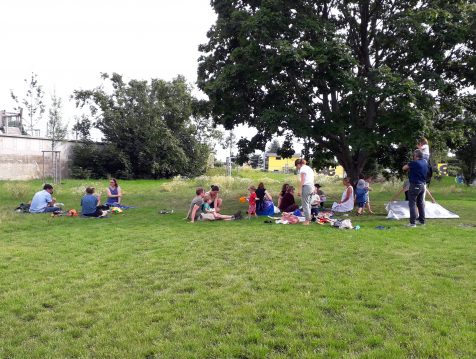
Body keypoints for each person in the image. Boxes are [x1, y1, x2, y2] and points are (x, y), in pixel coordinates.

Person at [403, 149, 428, 227]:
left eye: (413, 155)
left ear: (416, 156)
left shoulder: (414, 163)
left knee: (412, 203)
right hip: (422, 185)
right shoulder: (425, 162)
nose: (413, 156)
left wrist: (409, 164)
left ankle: (412, 223)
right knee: (420, 203)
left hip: (415, 185)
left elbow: (404, 168)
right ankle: (421, 221)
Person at [295, 159, 315, 225]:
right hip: (311, 187)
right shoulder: (309, 168)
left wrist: (300, 190)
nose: (297, 168)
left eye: (296, 166)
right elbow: (312, 179)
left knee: (305, 204)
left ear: (298, 164)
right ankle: (309, 218)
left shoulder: (302, 169)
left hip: (306, 187)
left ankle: (307, 221)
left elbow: (303, 180)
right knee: (308, 204)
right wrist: (314, 188)